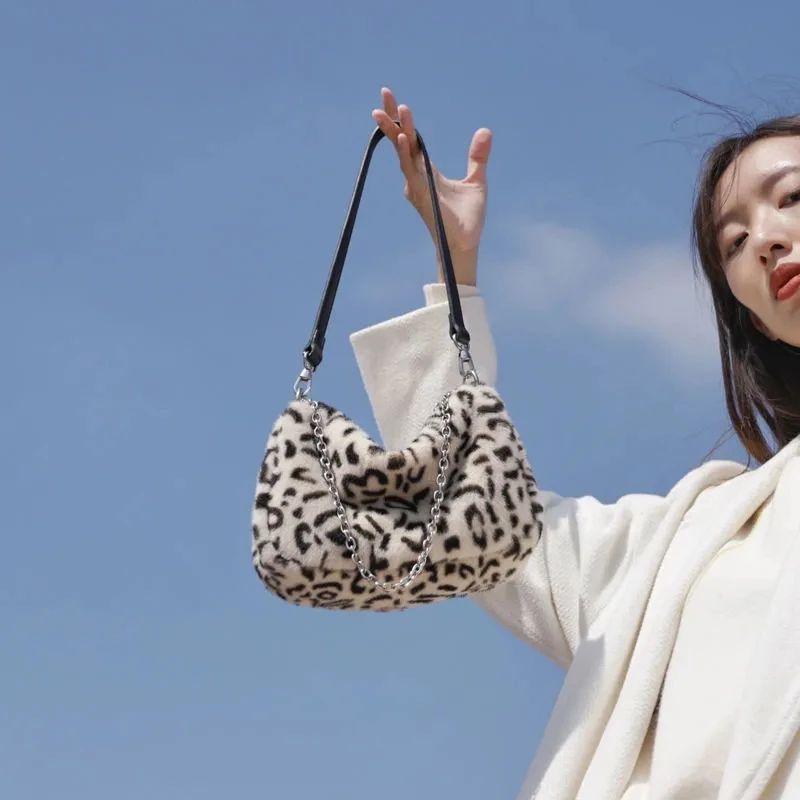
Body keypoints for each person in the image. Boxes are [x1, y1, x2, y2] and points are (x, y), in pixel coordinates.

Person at [264, 88, 800, 798]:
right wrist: (454, 266)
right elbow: (491, 530)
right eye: (733, 242)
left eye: (792, 197)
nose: (765, 238)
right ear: (754, 318)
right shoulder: (691, 543)